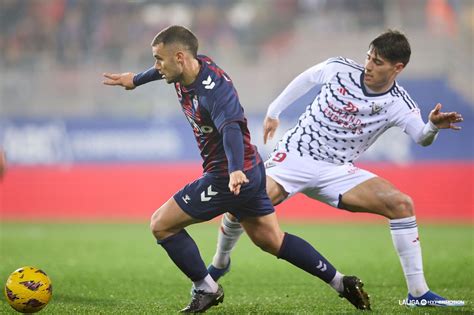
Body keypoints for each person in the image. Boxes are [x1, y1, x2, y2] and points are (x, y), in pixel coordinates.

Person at [102, 25, 371, 312]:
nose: (156, 66)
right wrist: (136, 79)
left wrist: (233, 170)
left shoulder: (214, 91)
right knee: (272, 240)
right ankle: (341, 282)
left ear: (179, 57)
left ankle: (207, 288)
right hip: (251, 172)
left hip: (228, 176)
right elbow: (163, 71)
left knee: (161, 225)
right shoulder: (189, 66)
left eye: (159, 59)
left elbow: (230, 129)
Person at [208, 30, 464, 308]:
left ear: (397, 67)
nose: (368, 65)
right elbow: (307, 78)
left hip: (337, 171)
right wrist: (274, 111)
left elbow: (421, 138)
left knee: (401, 204)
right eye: (368, 57)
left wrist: (433, 128)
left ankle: (418, 293)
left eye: (377, 62)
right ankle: (221, 261)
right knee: (241, 199)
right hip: (295, 157)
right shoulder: (340, 69)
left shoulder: (399, 103)